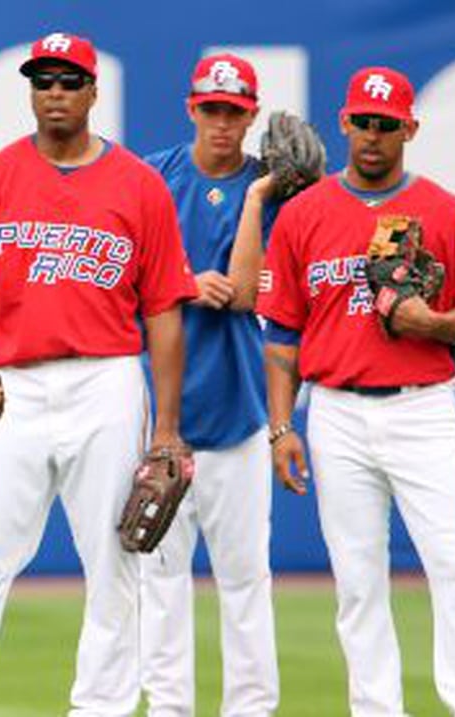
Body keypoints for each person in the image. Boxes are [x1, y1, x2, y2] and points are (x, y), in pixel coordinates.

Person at [0, 32, 197, 716]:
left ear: (94, 91)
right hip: (11, 385)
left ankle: (102, 707)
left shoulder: (139, 185)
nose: (56, 93)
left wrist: (166, 428)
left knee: (115, 561)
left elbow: (163, 314)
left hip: (105, 380)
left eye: (69, 81)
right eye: (44, 81)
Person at [257, 66, 455, 715]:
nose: (373, 135)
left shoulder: (446, 212)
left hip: (423, 408)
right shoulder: (303, 216)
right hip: (336, 413)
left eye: (387, 124)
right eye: (363, 122)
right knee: (357, 584)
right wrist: (282, 429)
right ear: (344, 122)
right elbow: (282, 337)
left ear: (410, 129)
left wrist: (432, 323)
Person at [139, 53, 280, 716]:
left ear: (252, 115)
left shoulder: (273, 189)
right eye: (212, 109)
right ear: (191, 109)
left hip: (238, 408)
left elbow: (248, 293)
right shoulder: (152, 179)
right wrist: (183, 282)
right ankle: (168, 708)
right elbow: (121, 282)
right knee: (160, 577)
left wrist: (256, 199)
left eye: (235, 111)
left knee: (245, 579)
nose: (222, 122)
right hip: (160, 418)